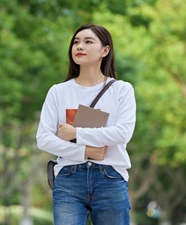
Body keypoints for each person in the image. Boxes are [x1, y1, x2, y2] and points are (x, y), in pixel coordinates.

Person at [36, 24, 136, 224]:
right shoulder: (58, 91)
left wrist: (76, 133)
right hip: (69, 178)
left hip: (110, 177)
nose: (79, 46)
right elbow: (43, 139)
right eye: (76, 42)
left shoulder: (121, 90)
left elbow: (123, 133)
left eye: (88, 42)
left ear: (105, 51)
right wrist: (85, 152)